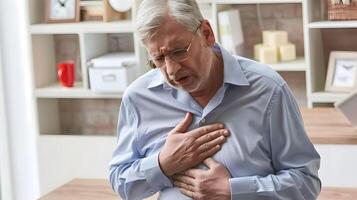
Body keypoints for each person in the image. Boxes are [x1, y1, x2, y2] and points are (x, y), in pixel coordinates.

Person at [109, 0, 321, 199]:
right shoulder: (138, 98)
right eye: (159, 58)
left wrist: (233, 191)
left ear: (206, 33)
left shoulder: (269, 90)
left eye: (179, 51)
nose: (172, 70)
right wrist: (163, 164)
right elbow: (121, 182)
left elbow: (306, 182)